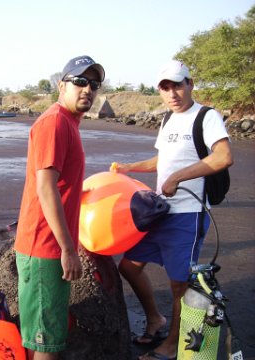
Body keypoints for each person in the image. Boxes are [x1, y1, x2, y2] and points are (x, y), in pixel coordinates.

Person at [110, 60, 233, 360]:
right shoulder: (167, 120)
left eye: (177, 85)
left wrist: (178, 178)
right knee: (128, 266)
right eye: (165, 87)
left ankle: (174, 346)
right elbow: (162, 161)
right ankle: (156, 319)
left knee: (180, 283)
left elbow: (223, 157)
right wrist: (129, 167)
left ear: (190, 84)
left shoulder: (206, 116)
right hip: (161, 212)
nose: (172, 93)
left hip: (189, 214)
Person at [14, 55, 105, 360]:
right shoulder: (54, 122)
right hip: (44, 248)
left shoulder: (68, 123)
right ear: (61, 85)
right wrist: (68, 249)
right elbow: (45, 186)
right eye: (80, 81)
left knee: (41, 334)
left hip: (48, 246)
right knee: (46, 340)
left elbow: (61, 184)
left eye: (94, 84)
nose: (87, 89)